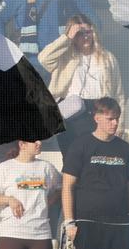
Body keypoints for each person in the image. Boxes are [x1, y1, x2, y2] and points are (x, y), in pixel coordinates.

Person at [61, 96, 129, 249]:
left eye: (117, 119)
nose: (114, 123)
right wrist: (69, 222)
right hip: (89, 225)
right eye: (110, 119)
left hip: (121, 226)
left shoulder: (124, 148)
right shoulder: (81, 145)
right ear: (96, 118)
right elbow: (68, 184)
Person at [38, 14, 123, 149]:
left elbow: (118, 93)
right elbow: (43, 59)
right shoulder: (65, 55)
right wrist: (67, 37)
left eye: (88, 32)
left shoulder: (107, 57)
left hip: (98, 108)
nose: (85, 36)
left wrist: (120, 123)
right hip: (71, 108)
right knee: (72, 154)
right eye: (79, 33)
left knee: (97, 153)